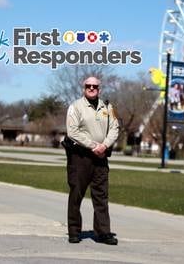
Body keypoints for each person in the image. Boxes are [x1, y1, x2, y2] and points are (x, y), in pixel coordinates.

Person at [65, 76, 120, 245]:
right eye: (88, 86)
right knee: (77, 193)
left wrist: (104, 145)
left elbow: (115, 128)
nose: (91, 88)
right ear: (84, 88)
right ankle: (74, 231)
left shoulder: (108, 107)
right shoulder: (76, 107)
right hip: (80, 157)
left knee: (101, 196)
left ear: (99, 89)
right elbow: (72, 132)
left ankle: (103, 233)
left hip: (101, 157)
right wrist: (92, 146)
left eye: (95, 86)